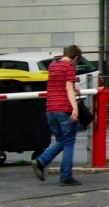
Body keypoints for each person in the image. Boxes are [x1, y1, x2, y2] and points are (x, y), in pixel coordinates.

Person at [31, 45, 84, 186]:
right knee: (69, 143)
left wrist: (73, 87)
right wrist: (75, 109)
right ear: (76, 58)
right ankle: (66, 176)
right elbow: (67, 88)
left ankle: (41, 162)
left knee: (61, 140)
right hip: (64, 109)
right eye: (77, 61)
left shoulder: (53, 65)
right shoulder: (69, 67)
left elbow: (58, 84)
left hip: (50, 110)